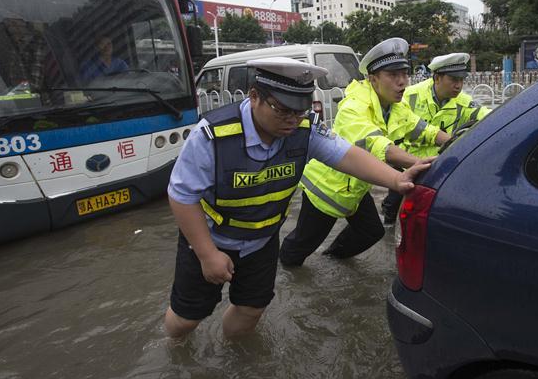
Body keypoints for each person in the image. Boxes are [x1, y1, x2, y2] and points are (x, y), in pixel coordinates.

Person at [163, 57, 430, 340]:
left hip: (262, 240)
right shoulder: (212, 136)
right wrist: (207, 254)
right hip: (210, 238)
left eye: (300, 111)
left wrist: (397, 180)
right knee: (187, 319)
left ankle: (233, 356)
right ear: (255, 97)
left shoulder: (304, 129)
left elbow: (347, 155)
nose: (292, 120)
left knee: (251, 310)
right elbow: (182, 196)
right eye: (283, 110)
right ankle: (175, 350)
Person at [279, 38, 450, 267]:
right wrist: (420, 163)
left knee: (372, 232)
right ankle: (284, 275)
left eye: (404, 74)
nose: (402, 83)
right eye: (393, 75)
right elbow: (378, 146)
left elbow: (422, 129)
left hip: (356, 188)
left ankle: (332, 260)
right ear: (373, 78)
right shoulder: (353, 107)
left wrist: (455, 143)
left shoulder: (395, 106)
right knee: (298, 249)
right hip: (327, 190)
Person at [380, 52, 491, 224]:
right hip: (405, 164)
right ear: (437, 78)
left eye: (462, 80)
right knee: (393, 210)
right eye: (453, 80)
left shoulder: (464, 102)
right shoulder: (408, 96)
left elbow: (487, 116)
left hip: (436, 167)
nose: (458, 85)